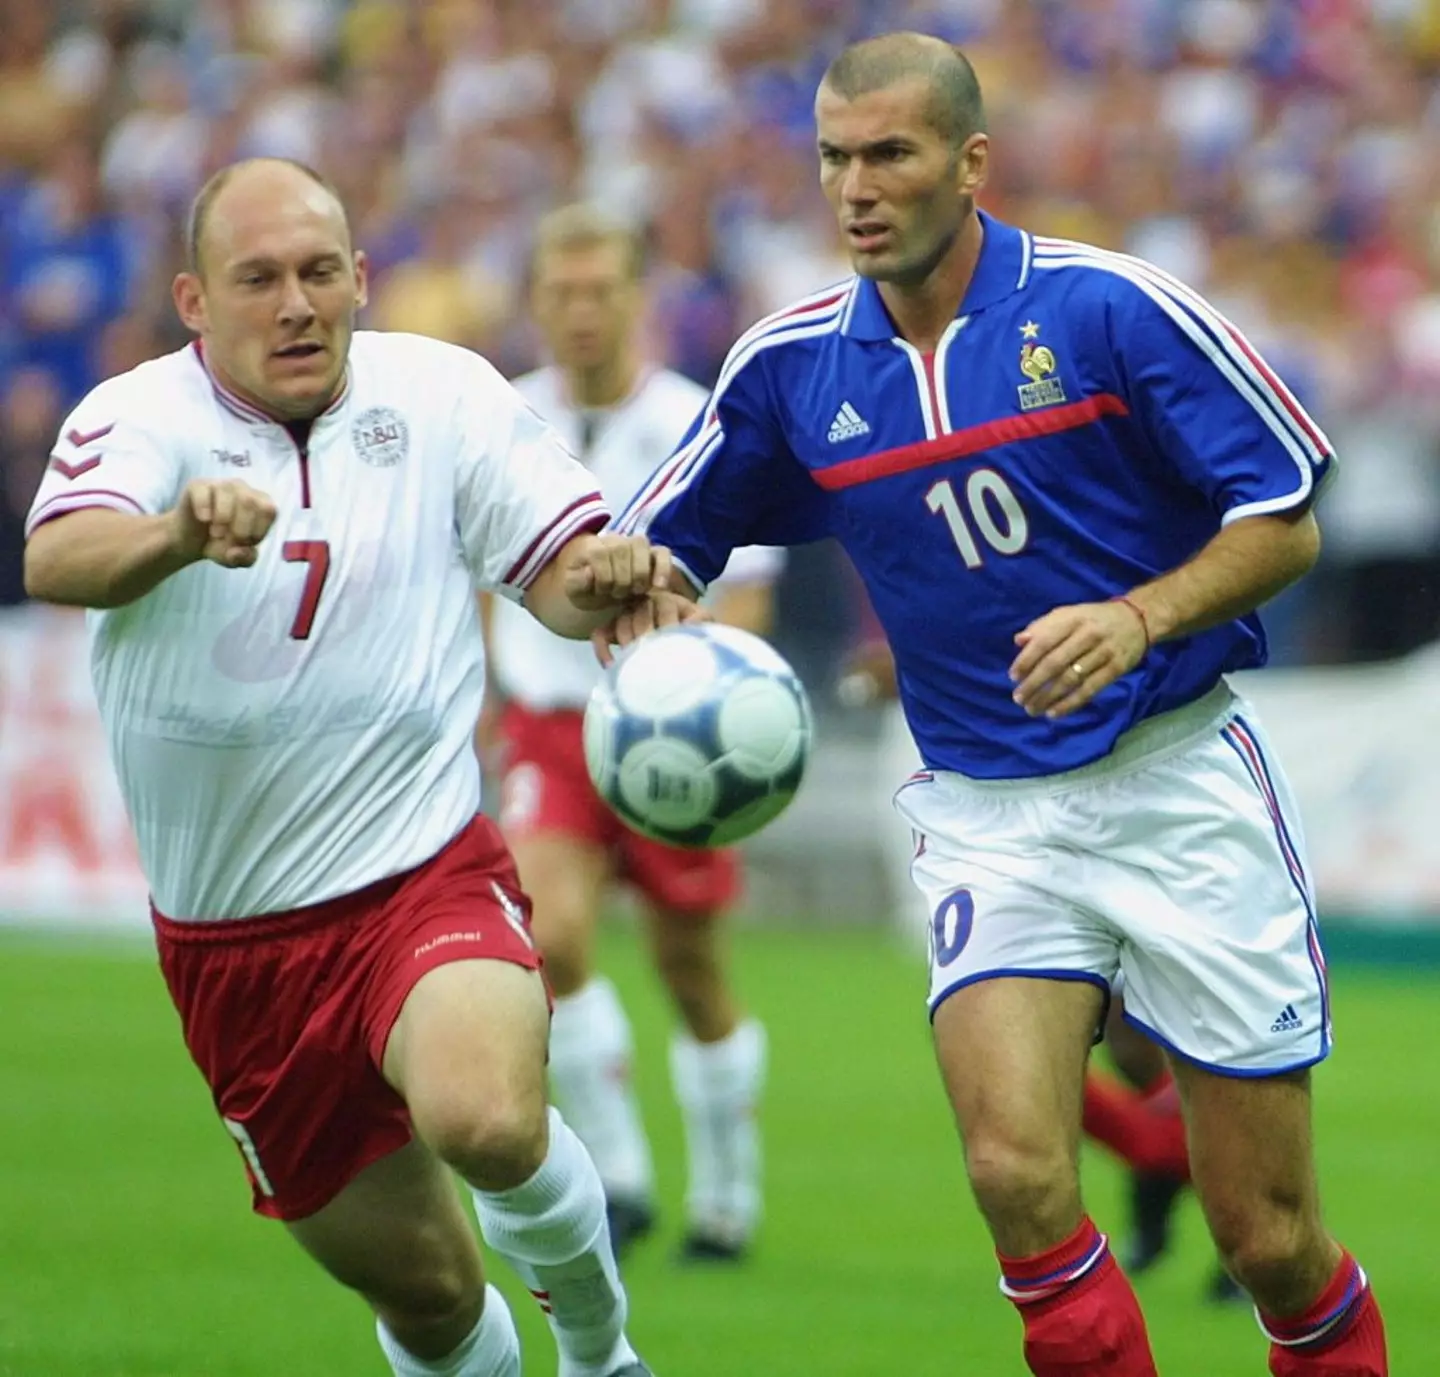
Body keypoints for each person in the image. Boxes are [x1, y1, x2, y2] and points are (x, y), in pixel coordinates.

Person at [611, 33, 1388, 1377]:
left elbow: (1286, 516)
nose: (857, 188)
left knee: (1267, 1237)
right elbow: (646, 556)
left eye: (891, 155)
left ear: (970, 164)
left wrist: (1137, 613)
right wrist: (630, 603)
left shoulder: (1111, 310)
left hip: (1174, 782)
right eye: (834, 160)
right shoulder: (792, 369)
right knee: (1015, 1175)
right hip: (986, 812)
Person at [22, 157, 683, 1377]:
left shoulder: (443, 395)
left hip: (419, 874)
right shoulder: (138, 418)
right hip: (237, 951)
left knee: (484, 1116)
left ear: (363, 280)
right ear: (193, 300)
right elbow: (61, 556)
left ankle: (601, 1349)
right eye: (258, 279)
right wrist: (176, 535)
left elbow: (554, 571)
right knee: (431, 1295)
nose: (295, 304)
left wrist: (605, 579)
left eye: (321, 273)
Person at [482, 204, 780, 1261]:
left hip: (672, 731)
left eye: (598, 291)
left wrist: (689, 659)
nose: (578, 313)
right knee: (548, 938)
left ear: (637, 299)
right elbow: (485, 574)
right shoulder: (504, 417)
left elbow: (749, 595)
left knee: (691, 970)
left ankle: (728, 1192)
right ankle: (619, 1173)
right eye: (559, 294)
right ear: (537, 304)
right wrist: (483, 705)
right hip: (552, 726)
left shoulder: (699, 422)